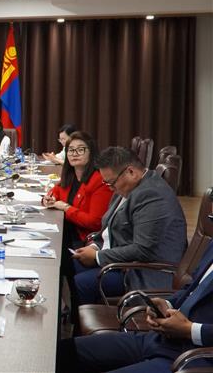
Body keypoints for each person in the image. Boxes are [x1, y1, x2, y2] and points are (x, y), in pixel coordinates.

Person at [58, 239, 213, 372]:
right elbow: (192, 287)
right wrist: (167, 304)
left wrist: (189, 330)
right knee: (62, 352)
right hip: (162, 339)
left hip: (196, 357)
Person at [70, 146, 187, 305]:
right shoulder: (130, 187)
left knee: (81, 283)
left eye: (111, 183)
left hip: (140, 271)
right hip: (122, 260)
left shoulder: (151, 195)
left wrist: (98, 257)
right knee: (69, 264)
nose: (110, 188)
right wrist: (95, 246)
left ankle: (78, 320)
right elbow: (111, 226)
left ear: (131, 172)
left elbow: (143, 249)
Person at [43, 131, 113, 247]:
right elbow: (55, 191)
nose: (74, 154)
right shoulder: (71, 176)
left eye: (80, 150)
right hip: (65, 231)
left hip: (84, 241)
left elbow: (95, 223)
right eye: (71, 150)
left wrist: (66, 208)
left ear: (91, 152)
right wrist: (49, 199)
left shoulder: (99, 180)